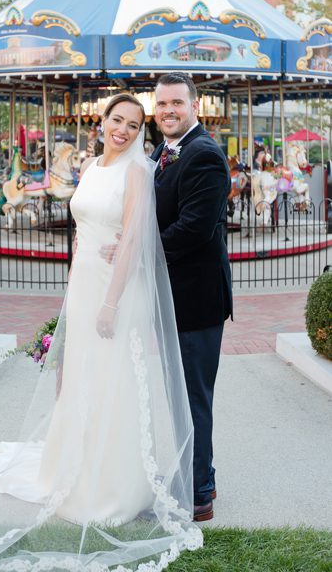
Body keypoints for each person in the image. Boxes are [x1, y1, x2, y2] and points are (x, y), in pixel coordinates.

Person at [0, 94, 202, 572]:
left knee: (113, 378)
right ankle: (72, 464)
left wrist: (111, 304)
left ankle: (112, 485)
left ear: (141, 131)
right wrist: (76, 293)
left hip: (117, 290)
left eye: (134, 125)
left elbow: (133, 238)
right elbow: (81, 234)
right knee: (79, 377)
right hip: (85, 282)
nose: (124, 130)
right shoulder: (92, 165)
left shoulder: (138, 172)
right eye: (118, 120)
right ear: (103, 121)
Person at [148, 72, 232, 522]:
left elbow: (194, 230)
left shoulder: (204, 154)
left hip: (196, 301)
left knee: (193, 397)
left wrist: (137, 252)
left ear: (195, 106)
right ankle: (199, 476)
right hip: (173, 299)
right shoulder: (165, 149)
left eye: (177, 103)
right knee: (180, 396)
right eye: (162, 104)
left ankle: (198, 493)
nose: (168, 111)